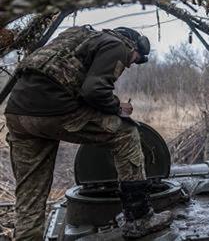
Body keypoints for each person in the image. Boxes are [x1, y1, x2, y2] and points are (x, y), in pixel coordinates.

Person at [4, 25, 172, 239]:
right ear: (133, 45)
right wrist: (117, 107)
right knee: (127, 133)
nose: (131, 65)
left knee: (31, 190)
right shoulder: (118, 45)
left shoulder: (80, 37)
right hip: (54, 109)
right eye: (135, 59)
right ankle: (139, 218)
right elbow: (94, 90)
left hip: (18, 112)